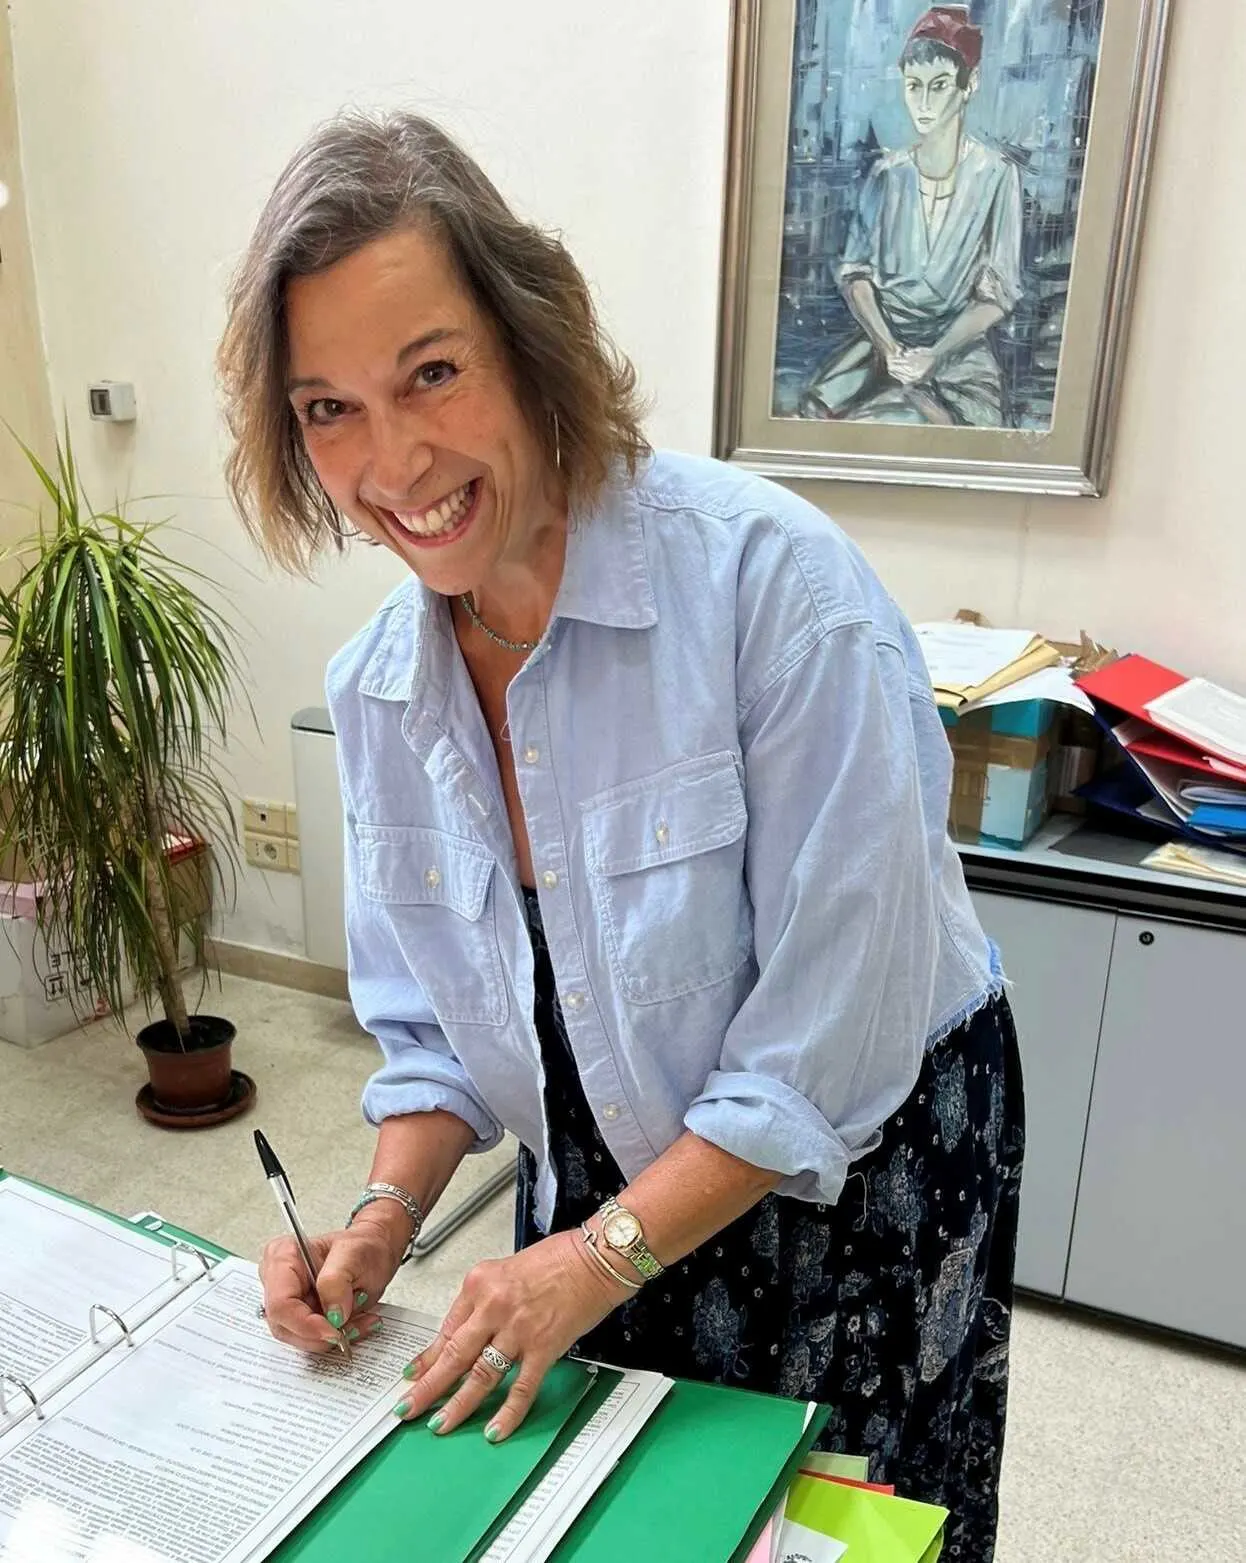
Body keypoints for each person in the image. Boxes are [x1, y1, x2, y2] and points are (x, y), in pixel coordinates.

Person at [219, 108, 1023, 1560]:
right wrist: (384, 1219)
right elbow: (437, 1037)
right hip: (604, 1191)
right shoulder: (380, 691)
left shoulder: (776, 594)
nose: (392, 461)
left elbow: (819, 1053)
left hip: (853, 1175)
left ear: (531, 342)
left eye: (432, 373)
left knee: (836, 1526)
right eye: (328, 407)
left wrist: (594, 1256)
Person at [802, 4, 1023, 427]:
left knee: (938, 425)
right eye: (913, 86)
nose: (922, 102)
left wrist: (934, 355)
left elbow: (998, 294)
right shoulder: (887, 174)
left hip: (958, 351)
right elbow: (856, 274)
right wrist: (889, 348)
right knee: (821, 416)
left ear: (970, 84)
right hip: (882, 344)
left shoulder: (996, 175)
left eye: (938, 86)